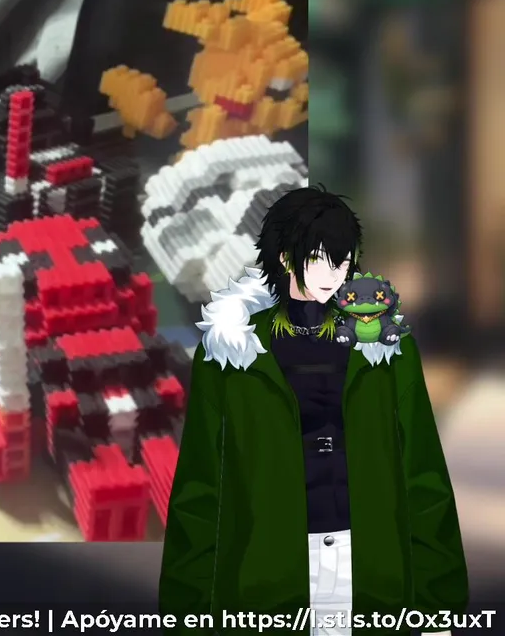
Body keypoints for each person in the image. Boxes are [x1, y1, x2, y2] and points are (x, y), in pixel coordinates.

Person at [159, 185, 467, 635]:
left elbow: (423, 477)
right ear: (286, 258)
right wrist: (184, 613)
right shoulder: (229, 351)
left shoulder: (388, 350)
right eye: (320, 259)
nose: (333, 274)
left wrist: (441, 612)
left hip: (374, 586)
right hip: (263, 589)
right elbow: (201, 487)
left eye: (342, 262)